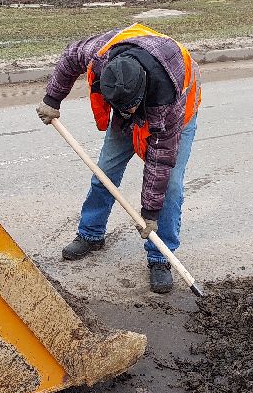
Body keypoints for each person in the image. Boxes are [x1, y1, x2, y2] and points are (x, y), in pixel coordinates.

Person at [36, 24, 200, 294]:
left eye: (130, 107)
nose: (125, 113)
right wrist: (53, 98)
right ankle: (91, 233)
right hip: (139, 88)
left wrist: (149, 213)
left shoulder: (166, 96)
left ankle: (160, 257)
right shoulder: (102, 56)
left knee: (169, 186)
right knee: (105, 171)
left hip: (180, 111)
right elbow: (69, 57)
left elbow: (160, 160)